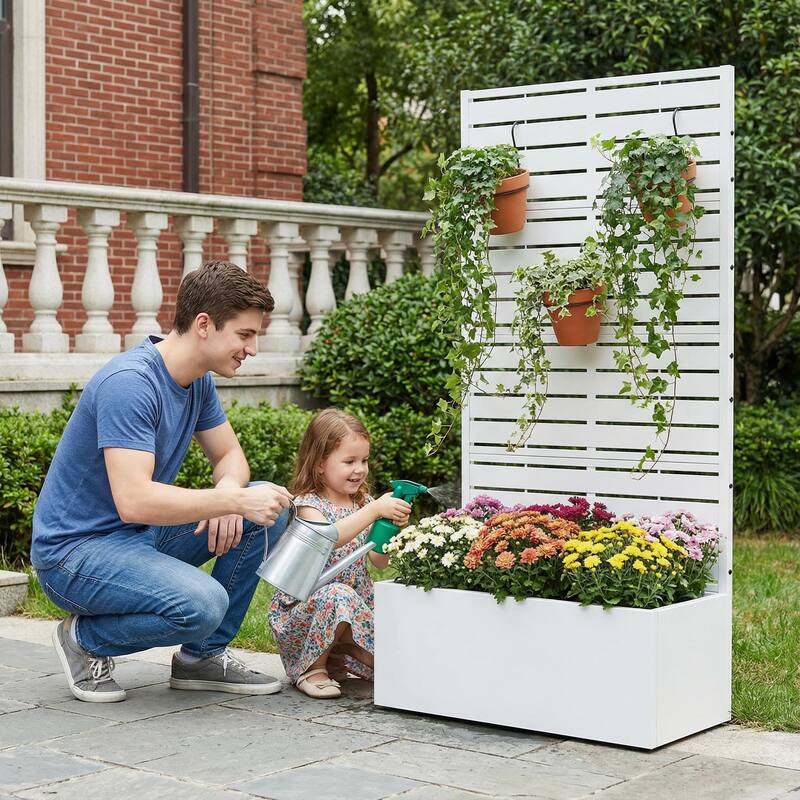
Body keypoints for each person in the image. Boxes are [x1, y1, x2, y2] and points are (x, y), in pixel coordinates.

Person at [31, 261, 294, 703]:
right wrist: (227, 501)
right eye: (245, 335)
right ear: (205, 325)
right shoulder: (130, 384)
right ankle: (84, 640)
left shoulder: (196, 382)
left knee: (268, 510)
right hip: (74, 554)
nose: (252, 348)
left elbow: (231, 457)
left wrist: (230, 498)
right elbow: (134, 500)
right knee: (204, 603)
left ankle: (202, 659)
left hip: (139, 539)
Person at [267, 408, 411, 699]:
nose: (359, 469)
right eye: (349, 461)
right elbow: (328, 539)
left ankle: (340, 652)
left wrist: (390, 529)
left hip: (353, 607)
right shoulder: (308, 505)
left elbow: (379, 561)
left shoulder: (364, 503)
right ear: (320, 464)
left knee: (395, 652)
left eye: (364, 460)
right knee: (338, 595)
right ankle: (312, 668)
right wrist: (372, 512)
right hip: (304, 612)